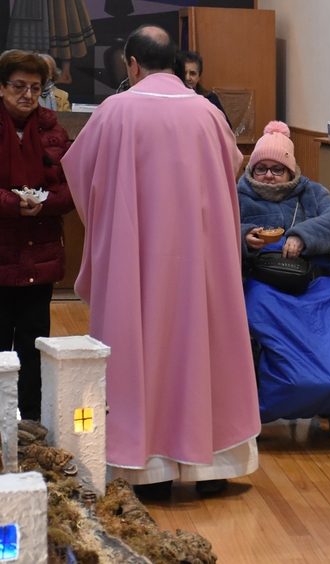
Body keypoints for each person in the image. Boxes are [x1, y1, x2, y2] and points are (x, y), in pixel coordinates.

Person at [61, 25, 261, 500]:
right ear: (172, 60)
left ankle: (148, 472)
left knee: (139, 351)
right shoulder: (208, 114)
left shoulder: (114, 112)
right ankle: (213, 467)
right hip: (200, 262)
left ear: (131, 64)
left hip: (136, 263)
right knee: (205, 347)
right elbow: (233, 166)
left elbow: (80, 173)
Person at [241, 121, 330, 427]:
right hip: (262, 283)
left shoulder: (311, 193)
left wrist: (302, 235)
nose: (269, 175)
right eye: (262, 168)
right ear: (252, 169)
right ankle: (270, 392)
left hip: (311, 282)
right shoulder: (237, 195)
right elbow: (215, 229)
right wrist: (244, 236)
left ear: (290, 170)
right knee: (254, 303)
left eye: (277, 168)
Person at [0, 49, 74, 421]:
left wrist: (45, 203)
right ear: (1, 87)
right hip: (1, 252)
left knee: (33, 344)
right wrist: (14, 204)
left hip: (40, 253)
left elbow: (71, 189)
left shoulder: (53, 131)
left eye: (35, 87)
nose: (27, 95)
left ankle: (31, 424)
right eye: (18, 86)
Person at [181, 51, 232, 129]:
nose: (188, 78)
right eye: (184, 73)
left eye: (192, 73)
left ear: (199, 77)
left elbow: (226, 127)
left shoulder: (211, 98)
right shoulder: (171, 99)